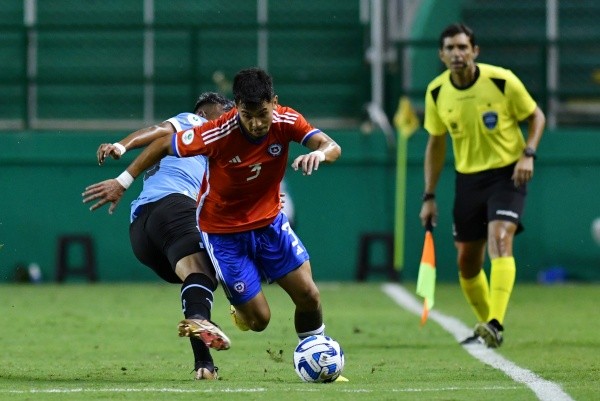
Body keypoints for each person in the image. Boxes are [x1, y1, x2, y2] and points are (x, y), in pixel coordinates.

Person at [82, 68, 343, 373]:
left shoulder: (286, 120)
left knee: (309, 295)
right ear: (236, 108)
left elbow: (331, 146)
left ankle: (320, 359)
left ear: (274, 102)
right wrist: (123, 177)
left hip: (268, 223)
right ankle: (231, 316)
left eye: (262, 114)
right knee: (259, 321)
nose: (256, 124)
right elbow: (163, 141)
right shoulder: (213, 130)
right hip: (224, 234)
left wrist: (319, 155)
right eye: (247, 115)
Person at [86, 92, 234, 380]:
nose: (228, 119)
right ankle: (204, 345)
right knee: (203, 274)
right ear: (205, 114)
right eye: (224, 113)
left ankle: (205, 366)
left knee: (199, 278)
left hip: (142, 232)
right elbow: (160, 129)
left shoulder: (215, 152)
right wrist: (121, 146)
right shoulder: (195, 122)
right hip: (172, 208)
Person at [419, 23, 546, 348]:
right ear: (441, 55)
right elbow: (436, 143)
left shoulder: (502, 81)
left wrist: (528, 154)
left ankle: (495, 323)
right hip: (468, 180)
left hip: (508, 174)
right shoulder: (436, 92)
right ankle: (489, 326)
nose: (457, 54)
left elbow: (537, 116)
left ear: (475, 51)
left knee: (500, 238)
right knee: (466, 261)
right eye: (450, 48)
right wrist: (429, 196)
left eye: (463, 47)